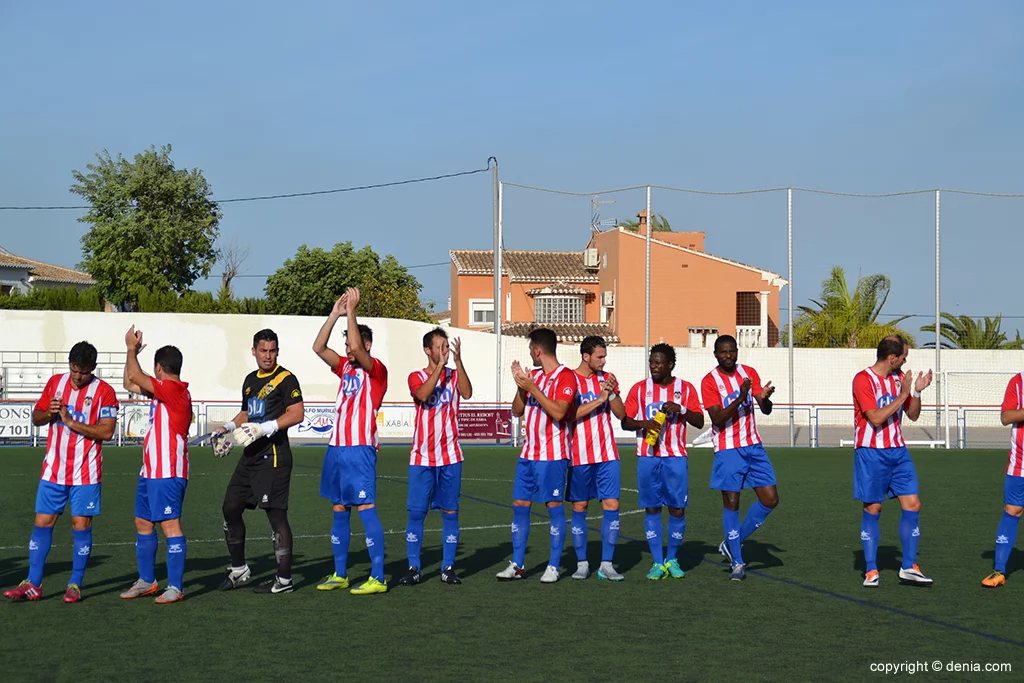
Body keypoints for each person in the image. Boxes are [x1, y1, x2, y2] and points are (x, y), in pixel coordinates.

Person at [3, 342, 119, 603]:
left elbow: (107, 432)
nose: (78, 376)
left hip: (85, 473)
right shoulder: (56, 383)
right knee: (42, 524)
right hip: (53, 471)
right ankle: (33, 583)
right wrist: (49, 413)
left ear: (93, 369)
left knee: (81, 525)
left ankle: (75, 584)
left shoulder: (105, 392)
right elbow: (36, 417)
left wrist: (70, 422)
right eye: (74, 370)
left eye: (84, 371)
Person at [214, 329, 306, 594]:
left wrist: (266, 428)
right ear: (253, 351)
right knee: (230, 507)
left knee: (276, 517)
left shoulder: (286, 378)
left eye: (273, 350)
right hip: (250, 456)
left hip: (274, 456)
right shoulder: (250, 380)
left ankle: (284, 581)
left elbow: (297, 413)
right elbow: (247, 412)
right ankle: (239, 567)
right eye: (263, 350)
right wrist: (227, 428)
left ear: (278, 351)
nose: (268, 355)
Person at [313, 288, 390, 596]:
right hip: (337, 448)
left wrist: (352, 312)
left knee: (365, 508)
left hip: (360, 448)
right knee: (339, 508)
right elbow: (318, 347)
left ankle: (379, 577)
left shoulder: (377, 370)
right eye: (345, 343)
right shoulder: (344, 367)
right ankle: (340, 573)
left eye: (350, 342)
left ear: (367, 344)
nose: (347, 349)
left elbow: (358, 350)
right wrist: (335, 314)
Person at [119, 327, 194, 604]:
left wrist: (130, 349)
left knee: (170, 525)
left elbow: (136, 376)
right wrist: (132, 355)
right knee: (143, 521)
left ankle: (175, 587)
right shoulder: (164, 392)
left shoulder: (173, 390)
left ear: (159, 368)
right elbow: (130, 382)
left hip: (168, 471)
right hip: (150, 471)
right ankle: (147, 581)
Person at [497, 327, 577, 583]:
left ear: (538, 350)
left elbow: (559, 412)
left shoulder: (566, 377)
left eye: (531, 349)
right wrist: (522, 386)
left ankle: (553, 566)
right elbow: (517, 410)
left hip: (553, 457)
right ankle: (517, 565)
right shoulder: (535, 378)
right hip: (528, 454)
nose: (530, 353)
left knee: (554, 508)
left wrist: (533, 388)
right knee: (520, 505)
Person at [852, 335, 934, 587]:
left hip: (898, 452)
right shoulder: (862, 379)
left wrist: (916, 391)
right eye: (903, 357)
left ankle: (908, 566)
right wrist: (903, 394)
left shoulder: (900, 379)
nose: (905, 361)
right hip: (871, 452)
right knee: (873, 508)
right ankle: (871, 569)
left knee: (913, 504)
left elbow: (913, 414)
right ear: (891, 358)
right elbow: (875, 418)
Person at [397, 327, 473, 587]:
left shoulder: (453, 376)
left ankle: (448, 567)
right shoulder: (416, 376)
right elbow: (422, 395)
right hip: (422, 458)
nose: (444, 351)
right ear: (427, 350)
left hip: (450, 456)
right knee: (417, 514)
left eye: (446, 347)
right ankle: (414, 567)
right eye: (439, 347)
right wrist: (440, 368)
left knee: (451, 513)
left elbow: (467, 392)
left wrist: (459, 362)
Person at [701, 335, 778, 582]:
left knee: (770, 499)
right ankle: (738, 561)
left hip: (753, 445)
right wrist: (740, 395)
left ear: (737, 351)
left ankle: (733, 543)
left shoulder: (748, 372)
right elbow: (718, 418)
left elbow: (764, 408)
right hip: (727, 448)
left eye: (732, 351)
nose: (728, 356)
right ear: (715, 354)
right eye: (723, 352)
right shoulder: (709, 381)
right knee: (732, 503)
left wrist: (764, 398)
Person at [623, 344, 704, 581]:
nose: (654, 367)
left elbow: (699, 421)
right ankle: (658, 562)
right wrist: (643, 425)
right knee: (652, 508)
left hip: (675, 456)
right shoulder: (639, 389)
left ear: (670, 365)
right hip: (647, 456)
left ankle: (673, 559)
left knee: (677, 508)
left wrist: (681, 409)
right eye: (651, 362)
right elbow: (625, 421)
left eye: (658, 363)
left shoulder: (685, 389)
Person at [567, 336, 626, 581]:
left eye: (605, 356)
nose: (603, 361)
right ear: (586, 356)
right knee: (580, 506)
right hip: (579, 455)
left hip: (607, 454)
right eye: (599, 356)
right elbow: (568, 415)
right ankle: (582, 563)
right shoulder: (569, 379)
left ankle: (606, 564)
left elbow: (622, 415)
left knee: (612, 505)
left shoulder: (607, 379)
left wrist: (611, 395)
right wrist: (600, 399)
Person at [982, 372, 1024, 587]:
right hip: (1020, 464)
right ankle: (999, 570)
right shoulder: (1018, 382)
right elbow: (1006, 417)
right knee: (1012, 510)